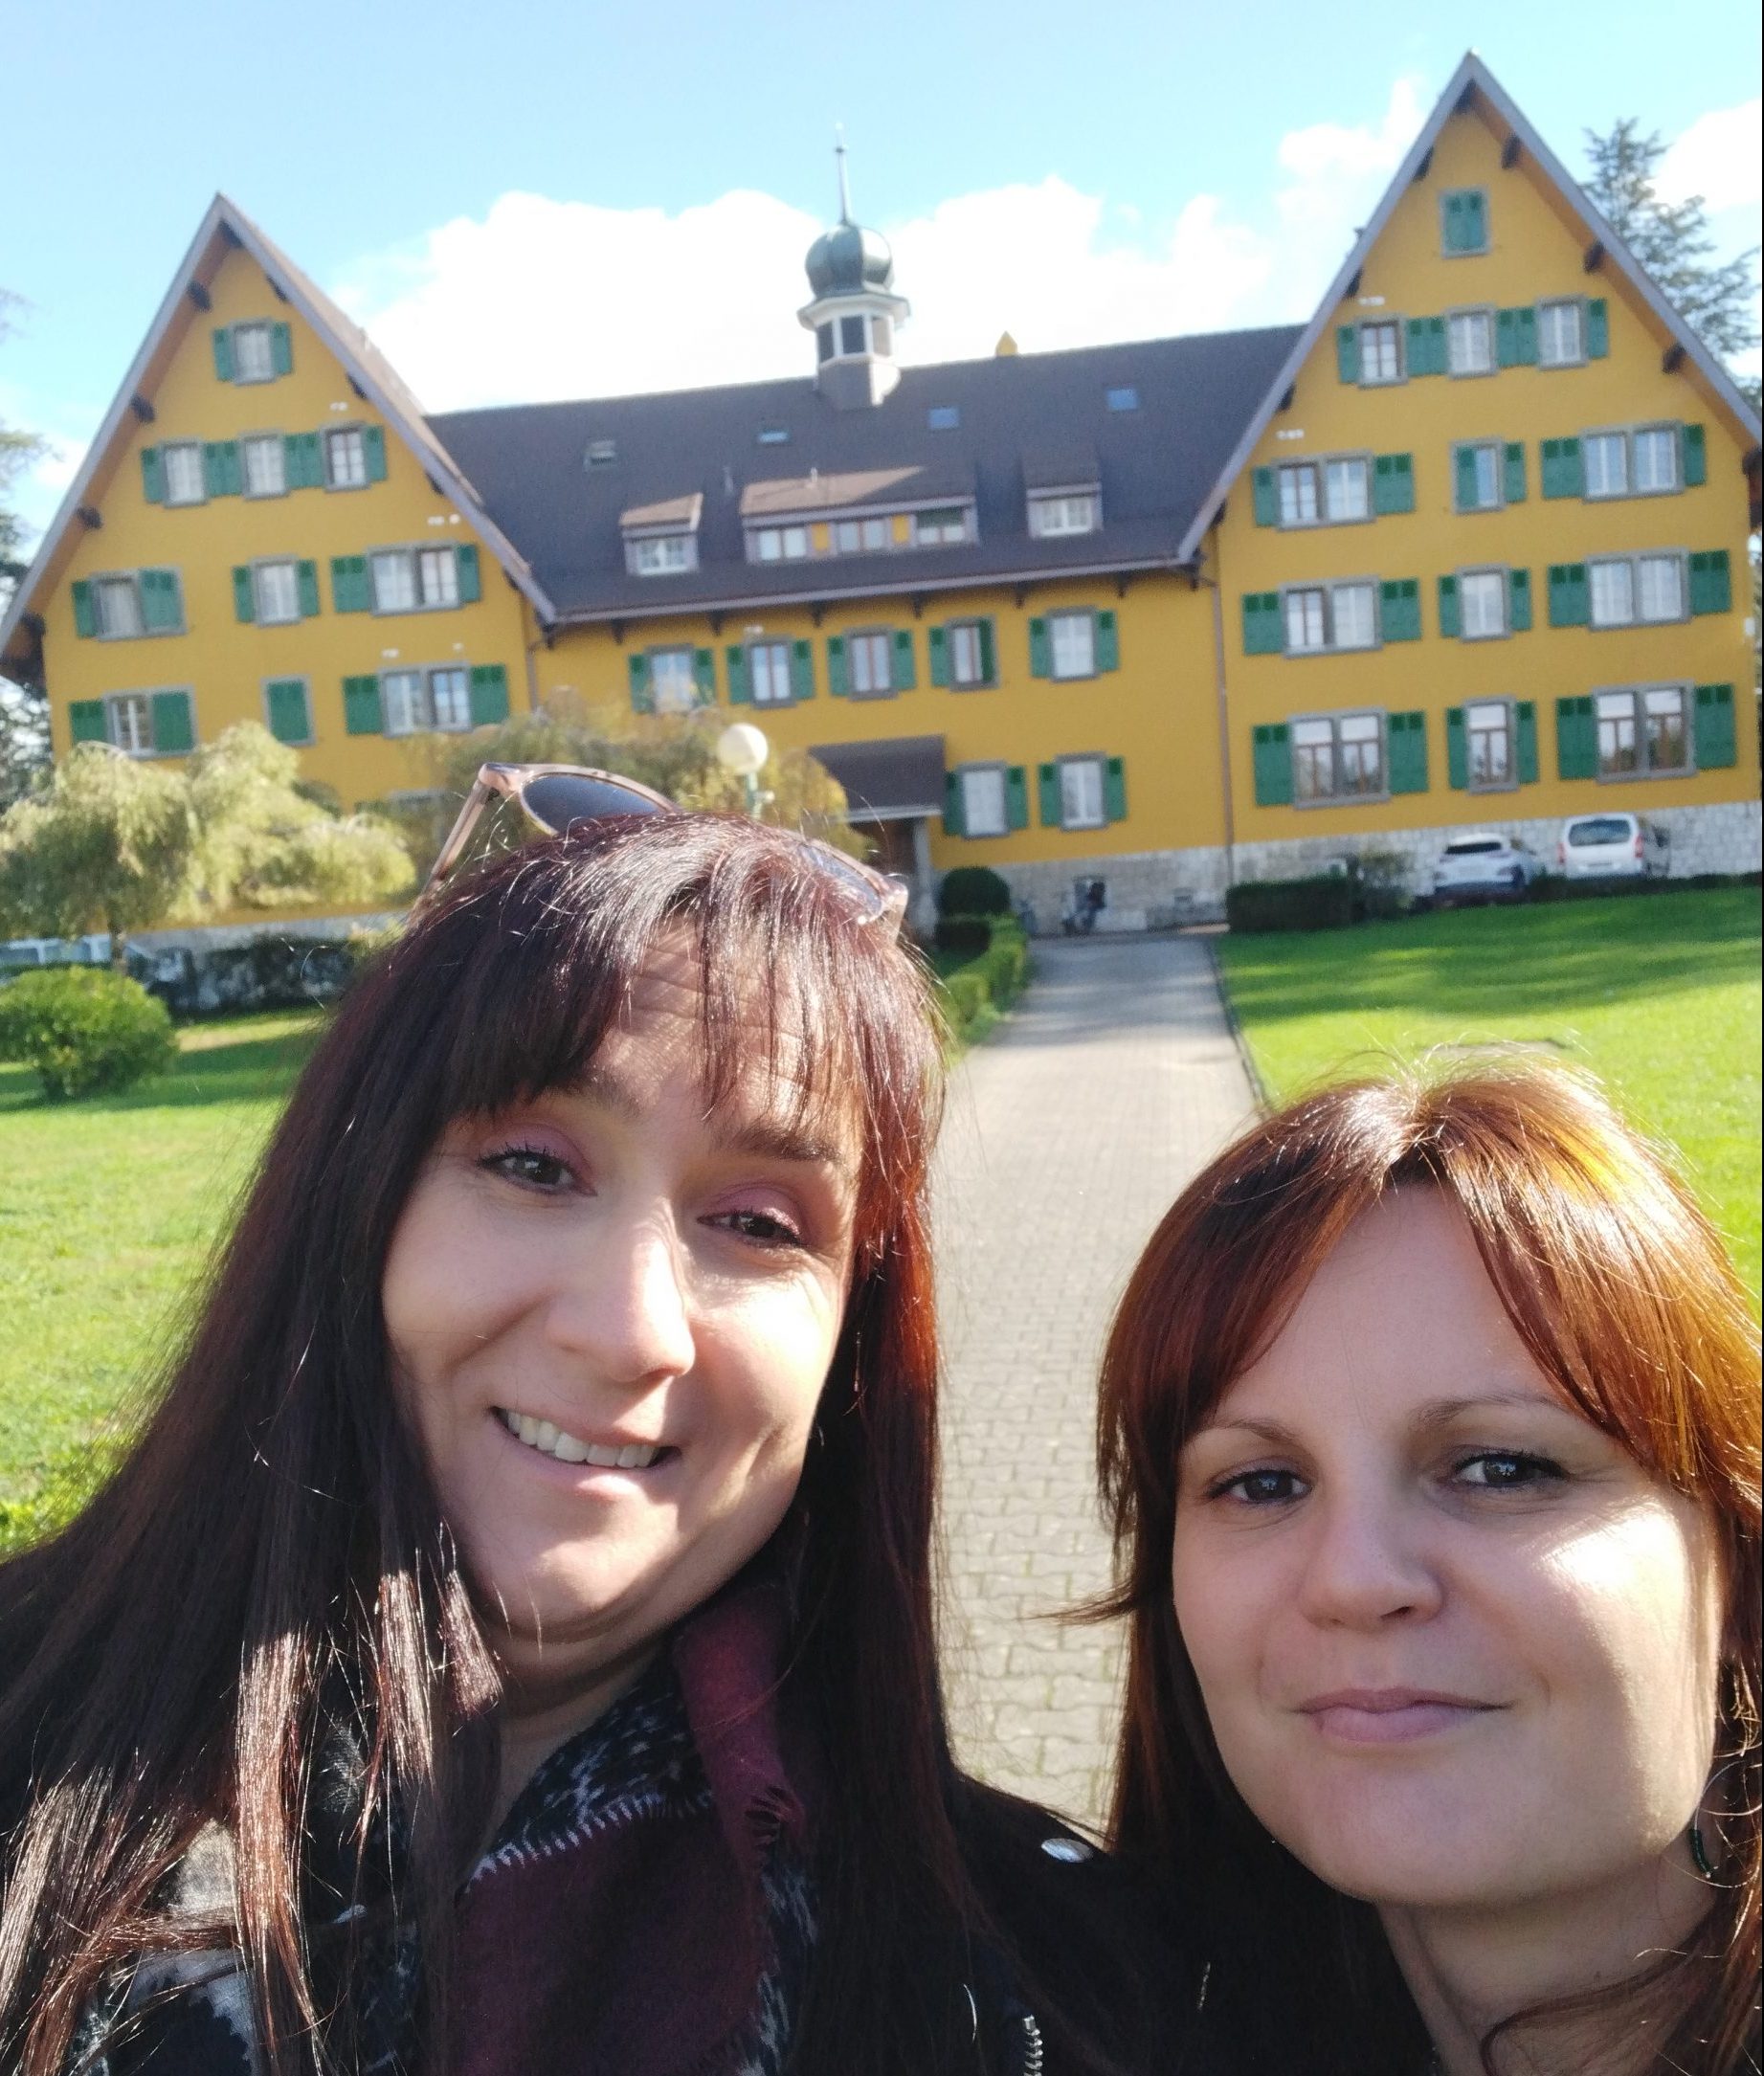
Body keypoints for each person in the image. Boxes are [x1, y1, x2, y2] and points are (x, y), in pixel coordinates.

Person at [0, 785, 1191, 2076]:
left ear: (851, 1347)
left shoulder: (1036, 1985)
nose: (630, 1332)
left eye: (758, 1224)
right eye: (533, 1166)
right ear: (355, 1202)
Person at [1093, 1066, 1761, 2076]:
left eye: (1502, 1468)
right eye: (1262, 1483)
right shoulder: (1103, 2022)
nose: (1353, 1580)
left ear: (1734, 1559)